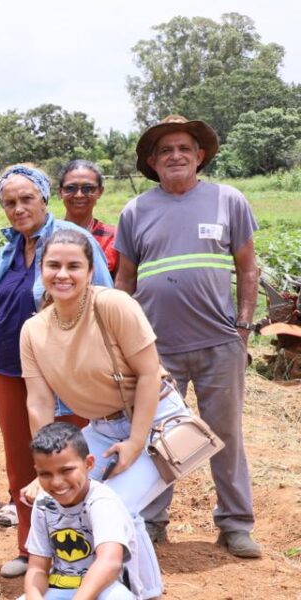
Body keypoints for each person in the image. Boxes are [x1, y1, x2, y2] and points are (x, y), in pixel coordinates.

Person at [22, 228, 199, 597]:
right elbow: (38, 402)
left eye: (74, 265)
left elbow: (150, 372)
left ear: (90, 270)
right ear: (41, 270)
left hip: (157, 419)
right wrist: (44, 470)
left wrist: (136, 441)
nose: (63, 274)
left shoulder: (114, 305)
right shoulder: (33, 330)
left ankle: (145, 593)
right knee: (50, 495)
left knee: (118, 506)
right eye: (53, 265)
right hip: (101, 428)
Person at [115, 115, 260, 558]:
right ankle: (152, 521)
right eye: (165, 151)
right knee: (159, 434)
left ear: (199, 156)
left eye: (184, 148)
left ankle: (235, 524)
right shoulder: (135, 211)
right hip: (156, 350)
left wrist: (243, 326)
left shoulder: (228, 200)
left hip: (220, 343)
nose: (175, 156)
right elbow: (125, 281)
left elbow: (248, 267)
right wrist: (125, 344)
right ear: (152, 162)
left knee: (225, 435)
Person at [0, 164, 113, 579]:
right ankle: (33, 551)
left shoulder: (73, 240)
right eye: (9, 202)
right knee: (22, 465)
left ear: (45, 199)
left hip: (64, 374)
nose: (18, 208)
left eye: (26, 199)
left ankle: (84, 555)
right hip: (9, 372)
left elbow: (104, 301)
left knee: (70, 464)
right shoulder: (9, 248)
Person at [21, 423, 145, 600]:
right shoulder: (44, 503)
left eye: (66, 470)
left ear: (89, 464)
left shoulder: (102, 501)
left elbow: (110, 562)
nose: (56, 482)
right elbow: (37, 567)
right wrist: (34, 596)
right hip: (60, 587)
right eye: (45, 474)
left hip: (106, 587)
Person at [57, 160, 118, 278]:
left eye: (88, 188)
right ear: (60, 192)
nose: (79, 195)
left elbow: (122, 282)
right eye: (70, 188)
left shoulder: (114, 238)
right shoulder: (47, 235)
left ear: (100, 192)